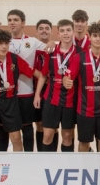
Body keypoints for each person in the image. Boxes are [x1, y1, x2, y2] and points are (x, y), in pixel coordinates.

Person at [0, 10, 47, 152]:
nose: (12, 22)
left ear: (23, 23)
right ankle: (2, 163)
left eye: (15, 20)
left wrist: (52, 41)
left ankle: (27, 162)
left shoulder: (32, 41)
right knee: (2, 132)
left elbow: (52, 50)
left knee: (27, 129)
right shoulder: (1, 40)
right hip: (4, 96)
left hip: (26, 93)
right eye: (9, 20)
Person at [63, 23, 100, 152]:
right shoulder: (79, 57)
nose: (97, 39)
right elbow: (67, 76)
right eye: (95, 36)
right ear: (89, 37)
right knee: (84, 143)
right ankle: (84, 168)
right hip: (85, 109)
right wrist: (66, 81)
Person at [33, 19, 81, 152]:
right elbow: (43, 74)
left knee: (67, 135)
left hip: (71, 101)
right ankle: (47, 166)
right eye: (62, 31)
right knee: (47, 134)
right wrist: (37, 95)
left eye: (68, 30)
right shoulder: (51, 50)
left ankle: (65, 166)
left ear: (73, 32)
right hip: (51, 99)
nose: (65, 33)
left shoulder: (80, 52)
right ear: (58, 33)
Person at [34, 19, 59, 152]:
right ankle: (40, 155)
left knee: (52, 127)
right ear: (36, 31)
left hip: (53, 90)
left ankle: (53, 155)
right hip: (36, 89)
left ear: (51, 31)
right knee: (39, 125)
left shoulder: (57, 47)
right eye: (41, 28)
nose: (44, 31)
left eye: (47, 28)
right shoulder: (31, 46)